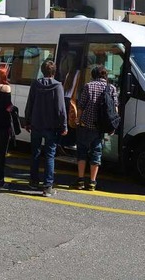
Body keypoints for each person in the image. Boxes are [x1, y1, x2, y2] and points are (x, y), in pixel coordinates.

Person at [24, 60, 68, 197]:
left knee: (35, 153)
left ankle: (33, 181)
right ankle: (47, 186)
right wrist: (64, 125)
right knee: (50, 155)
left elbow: (29, 104)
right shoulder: (57, 86)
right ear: (54, 72)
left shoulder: (35, 84)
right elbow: (61, 109)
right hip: (51, 126)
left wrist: (27, 121)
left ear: (42, 71)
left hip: (36, 124)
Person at [72, 65, 118, 191]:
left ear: (93, 75)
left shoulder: (88, 86)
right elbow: (114, 108)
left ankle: (80, 180)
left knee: (82, 151)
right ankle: (92, 182)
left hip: (85, 124)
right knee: (96, 153)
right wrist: (112, 125)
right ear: (105, 75)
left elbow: (81, 105)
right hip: (100, 127)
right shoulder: (112, 88)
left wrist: (78, 120)